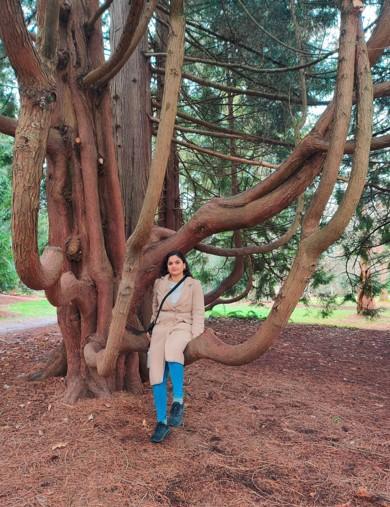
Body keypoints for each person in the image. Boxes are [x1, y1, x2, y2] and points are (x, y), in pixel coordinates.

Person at [148, 250, 205, 443]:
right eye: (170, 263)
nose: (174, 266)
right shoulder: (159, 283)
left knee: (173, 350)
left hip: (182, 326)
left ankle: (178, 401)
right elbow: (155, 308)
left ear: (184, 265)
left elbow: (198, 311)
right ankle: (162, 422)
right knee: (156, 374)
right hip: (160, 328)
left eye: (177, 262)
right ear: (167, 266)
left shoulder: (193, 285)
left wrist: (196, 335)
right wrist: (151, 327)